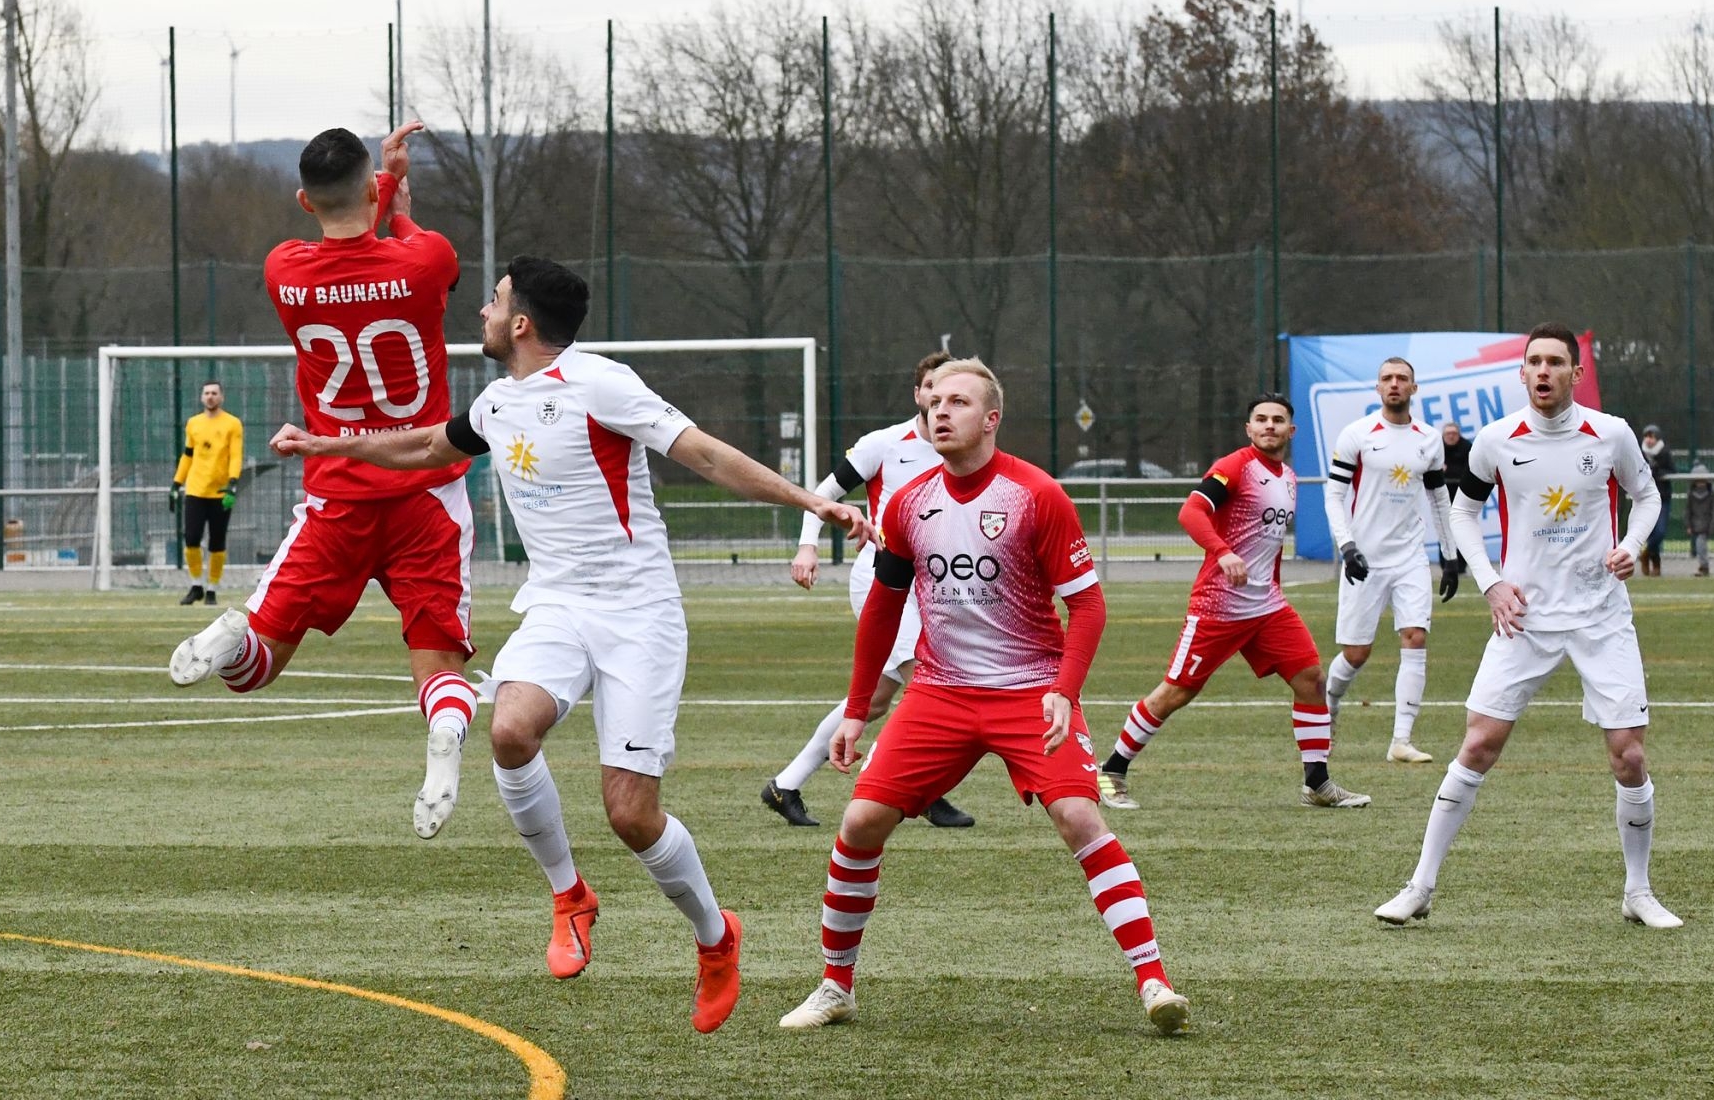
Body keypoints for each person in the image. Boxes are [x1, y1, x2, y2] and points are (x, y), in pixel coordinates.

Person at [273, 255, 869, 1033]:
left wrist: (811, 505)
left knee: (631, 814)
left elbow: (703, 453)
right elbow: (425, 449)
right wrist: (325, 446)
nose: (482, 312)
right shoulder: (496, 402)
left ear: (520, 322)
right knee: (510, 730)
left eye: (493, 301)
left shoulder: (601, 384)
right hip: (557, 606)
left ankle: (715, 938)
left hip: (638, 615)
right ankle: (570, 894)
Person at [777, 359, 1190, 1036]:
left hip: (1031, 691)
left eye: (959, 402)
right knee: (858, 824)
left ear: (991, 418)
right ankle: (834, 986)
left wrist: (1065, 691)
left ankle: (1154, 982)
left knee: (1080, 819)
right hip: (939, 693)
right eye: (935, 401)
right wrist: (855, 708)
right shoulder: (908, 502)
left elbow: (1088, 607)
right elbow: (883, 608)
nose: (940, 411)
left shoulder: (1037, 495)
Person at [168, 122, 480, 842]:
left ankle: (228, 633)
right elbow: (417, 251)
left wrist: (379, 185)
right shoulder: (427, 258)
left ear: (304, 201)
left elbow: (350, 233)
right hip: (427, 495)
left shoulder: (286, 270)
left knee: (253, 671)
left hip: (337, 496)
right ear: (373, 190)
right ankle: (443, 735)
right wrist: (397, 195)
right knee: (439, 666)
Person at [1375, 322, 1681, 930]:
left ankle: (1638, 891)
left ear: (1575, 373)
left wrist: (1632, 545)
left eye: (1555, 362)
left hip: (1600, 616)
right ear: (1522, 373)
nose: (1544, 371)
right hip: (1525, 619)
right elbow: (1463, 512)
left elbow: (1647, 498)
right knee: (1477, 745)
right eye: (1534, 362)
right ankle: (1420, 886)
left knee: (1629, 755)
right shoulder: (1496, 440)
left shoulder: (1611, 433)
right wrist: (1491, 582)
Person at [1096, 394, 1371, 811]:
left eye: (1277, 419)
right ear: (1249, 428)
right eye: (1260, 419)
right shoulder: (1235, 466)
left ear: (1291, 430)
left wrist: (1271, 588)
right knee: (1175, 693)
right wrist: (1223, 552)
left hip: (1267, 607)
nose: (1269, 425)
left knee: (1312, 680)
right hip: (1218, 607)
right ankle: (1111, 770)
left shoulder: (1288, 477)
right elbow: (1191, 512)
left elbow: (1269, 550)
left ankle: (1317, 782)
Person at [768, 351, 974, 831]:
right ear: (918, 394)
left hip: (933, 584)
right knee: (931, 680)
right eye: (932, 389)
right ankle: (915, 788)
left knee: (876, 699)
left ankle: (785, 785)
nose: (940, 400)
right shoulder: (884, 444)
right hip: (883, 580)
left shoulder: (962, 450)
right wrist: (807, 548)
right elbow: (823, 495)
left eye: (952, 392)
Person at [1320, 358, 1461, 764]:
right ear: (1378, 388)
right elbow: (1334, 496)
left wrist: (1449, 555)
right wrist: (1347, 546)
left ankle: (1401, 740)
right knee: (1356, 654)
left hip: (1409, 557)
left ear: (1414, 388)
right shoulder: (1357, 434)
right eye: (1387, 378)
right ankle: (1329, 705)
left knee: (1415, 637)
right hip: (1364, 559)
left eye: (1402, 379)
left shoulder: (1428, 439)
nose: (1394, 384)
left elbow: (1438, 497)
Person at [170, 380, 244, 606]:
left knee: (217, 542)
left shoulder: (232, 424)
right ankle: (196, 586)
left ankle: (212, 589)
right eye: (207, 393)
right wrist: (176, 484)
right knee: (191, 538)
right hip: (195, 490)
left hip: (221, 492)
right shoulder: (193, 423)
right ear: (202, 397)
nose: (210, 396)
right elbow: (187, 456)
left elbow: (236, 455)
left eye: (214, 393)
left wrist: (233, 483)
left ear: (221, 397)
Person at [1639, 425, 1675, 577]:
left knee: (1660, 531)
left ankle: (1645, 553)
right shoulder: (1640, 452)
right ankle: (1655, 564)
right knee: (1651, 530)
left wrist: (1658, 472)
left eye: (1652, 436)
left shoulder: (1664, 452)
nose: (1649, 440)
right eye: (1646, 436)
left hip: (1662, 497)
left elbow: (1672, 470)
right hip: (1645, 498)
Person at [1442, 422, 1471, 578]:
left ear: (1458, 435)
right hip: (1443, 495)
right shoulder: (1438, 448)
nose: (1451, 436)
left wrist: (1448, 470)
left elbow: (1470, 470)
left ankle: (1461, 566)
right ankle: (1445, 564)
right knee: (1444, 530)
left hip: (1462, 494)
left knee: (1463, 530)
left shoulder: (1467, 447)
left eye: (1454, 433)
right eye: (1448, 434)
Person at [1685, 463, 1714, 577]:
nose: (1700, 484)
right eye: (1698, 481)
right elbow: (1688, 510)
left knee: (1700, 544)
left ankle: (1704, 566)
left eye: (1702, 481)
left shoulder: (1711, 494)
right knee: (1700, 545)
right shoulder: (1691, 494)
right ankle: (1703, 566)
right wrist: (1688, 525)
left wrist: (1713, 526)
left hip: (1706, 525)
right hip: (1695, 524)